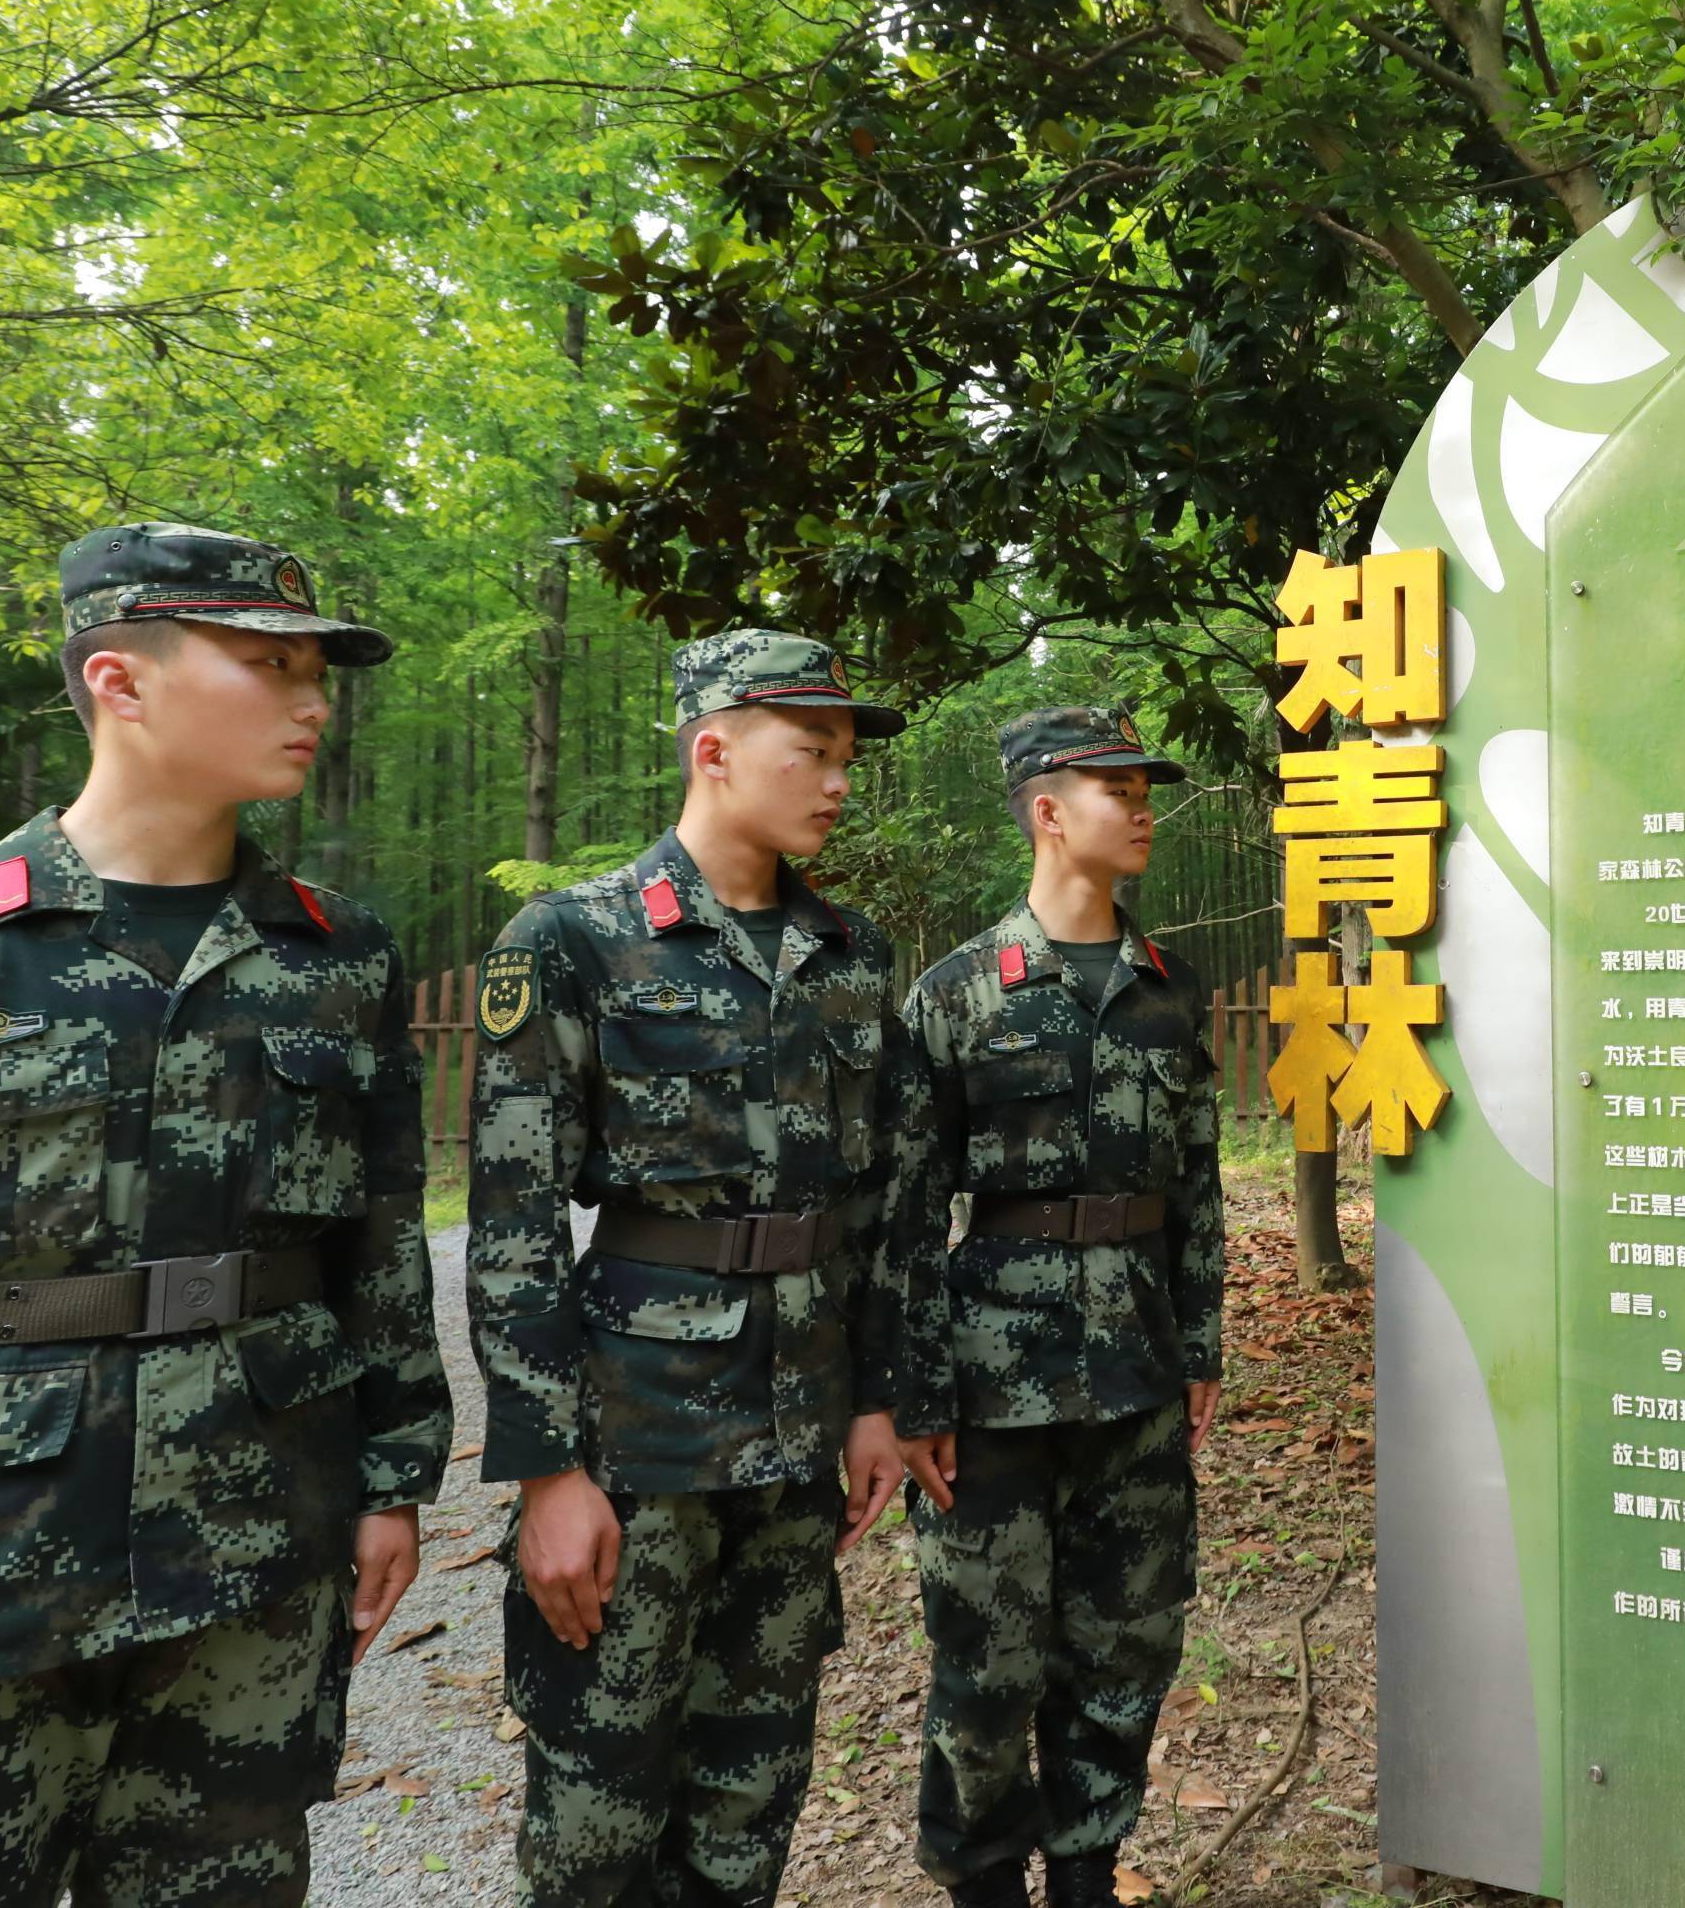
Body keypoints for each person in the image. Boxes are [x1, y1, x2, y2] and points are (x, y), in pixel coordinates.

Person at [0, 522, 451, 1905]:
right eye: (269, 664)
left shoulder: (334, 956)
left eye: (318, 669)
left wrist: (394, 1478)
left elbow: (375, 1248)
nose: (313, 700)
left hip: (252, 1555)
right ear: (120, 681)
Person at [466, 628, 928, 1906]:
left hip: (794, 1449)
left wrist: (878, 1398)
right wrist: (548, 1467)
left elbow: (879, 1203)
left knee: (748, 1800)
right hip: (637, 1448)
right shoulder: (576, 938)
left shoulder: (850, 957)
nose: (837, 780)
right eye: (813, 750)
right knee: (598, 1817)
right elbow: (510, 1228)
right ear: (712, 750)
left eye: (846, 756)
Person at [894, 707, 1227, 1908]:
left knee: (1127, 1641)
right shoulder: (957, 995)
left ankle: (1089, 1866)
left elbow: (1195, 1185)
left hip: (1134, 1369)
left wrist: (1202, 1344)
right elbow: (906, 1215)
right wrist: (917, 1389)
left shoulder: (1169, 990)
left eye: (1146, 787)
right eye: (1117, 787)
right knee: (986, 1659)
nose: (1143, 808)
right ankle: (983, 1878)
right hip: (991, 1384)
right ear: (1047, 808)